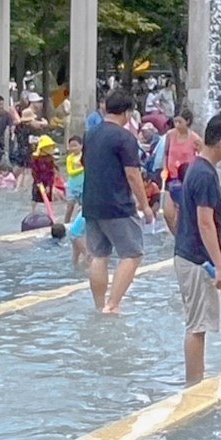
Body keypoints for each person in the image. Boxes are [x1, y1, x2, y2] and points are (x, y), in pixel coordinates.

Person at [172, 113, 221, 383]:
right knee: (197, 326)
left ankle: (197, 376)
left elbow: (215, 221)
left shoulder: (202, 170)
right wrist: (219, 266)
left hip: (196, 257)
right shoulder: (204, 174)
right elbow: (205, 223)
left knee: (199, 324)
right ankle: (194, 382)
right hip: (197, 260)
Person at [83, 91, 152, 316]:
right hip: (117, 204)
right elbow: (133, 174)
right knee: (132, 254)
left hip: (91, 202)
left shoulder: (90, 134)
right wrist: (145, 205)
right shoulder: (125, 138)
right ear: (127, 113)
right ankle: (113, 304)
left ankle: (99, 304)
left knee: (99, 255)